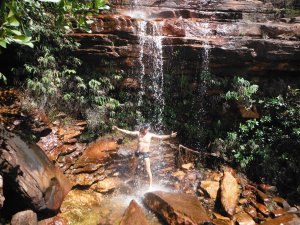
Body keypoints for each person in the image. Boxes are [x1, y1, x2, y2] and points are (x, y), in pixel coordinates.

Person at [112, 124, 177, 188]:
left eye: (146, 129)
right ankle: (131, 177)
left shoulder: (150, 135)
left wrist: (170, 136)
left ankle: (150, 185)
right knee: (134, 166)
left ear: (148, 129)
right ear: (143, 128)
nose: (145, 130)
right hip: (137, 153)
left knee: (148, 169)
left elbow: (160, 137)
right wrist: (118, 128)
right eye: (144, 129)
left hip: (145, 154)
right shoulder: (138, 133)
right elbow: (128, 132)